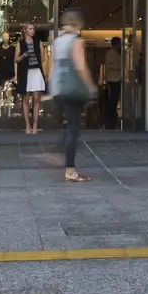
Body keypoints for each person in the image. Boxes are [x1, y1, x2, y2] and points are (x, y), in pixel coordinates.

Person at [51, 9, 98, 183]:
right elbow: (80, 67)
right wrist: (91, 86)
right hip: (74, 90)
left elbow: (55, 68)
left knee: (70, 125)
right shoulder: (76, 41)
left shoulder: (57, 41)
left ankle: (57, 153)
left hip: (60, 89)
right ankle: (69, 170)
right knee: (74, 129)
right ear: (78, 24)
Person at [16, 23, 47, 135]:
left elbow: (43, 58)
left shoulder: (38, 42)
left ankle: (35, 125)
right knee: (25, 99)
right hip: (25, 72)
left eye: (33, 28)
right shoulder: (20, 44)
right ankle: (27, 125)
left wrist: (36, 56)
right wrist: (24, 55)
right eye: (30, 28)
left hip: (36, 71)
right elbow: (16, 59)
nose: (32, 30)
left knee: (37, 99)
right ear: (25, 30)